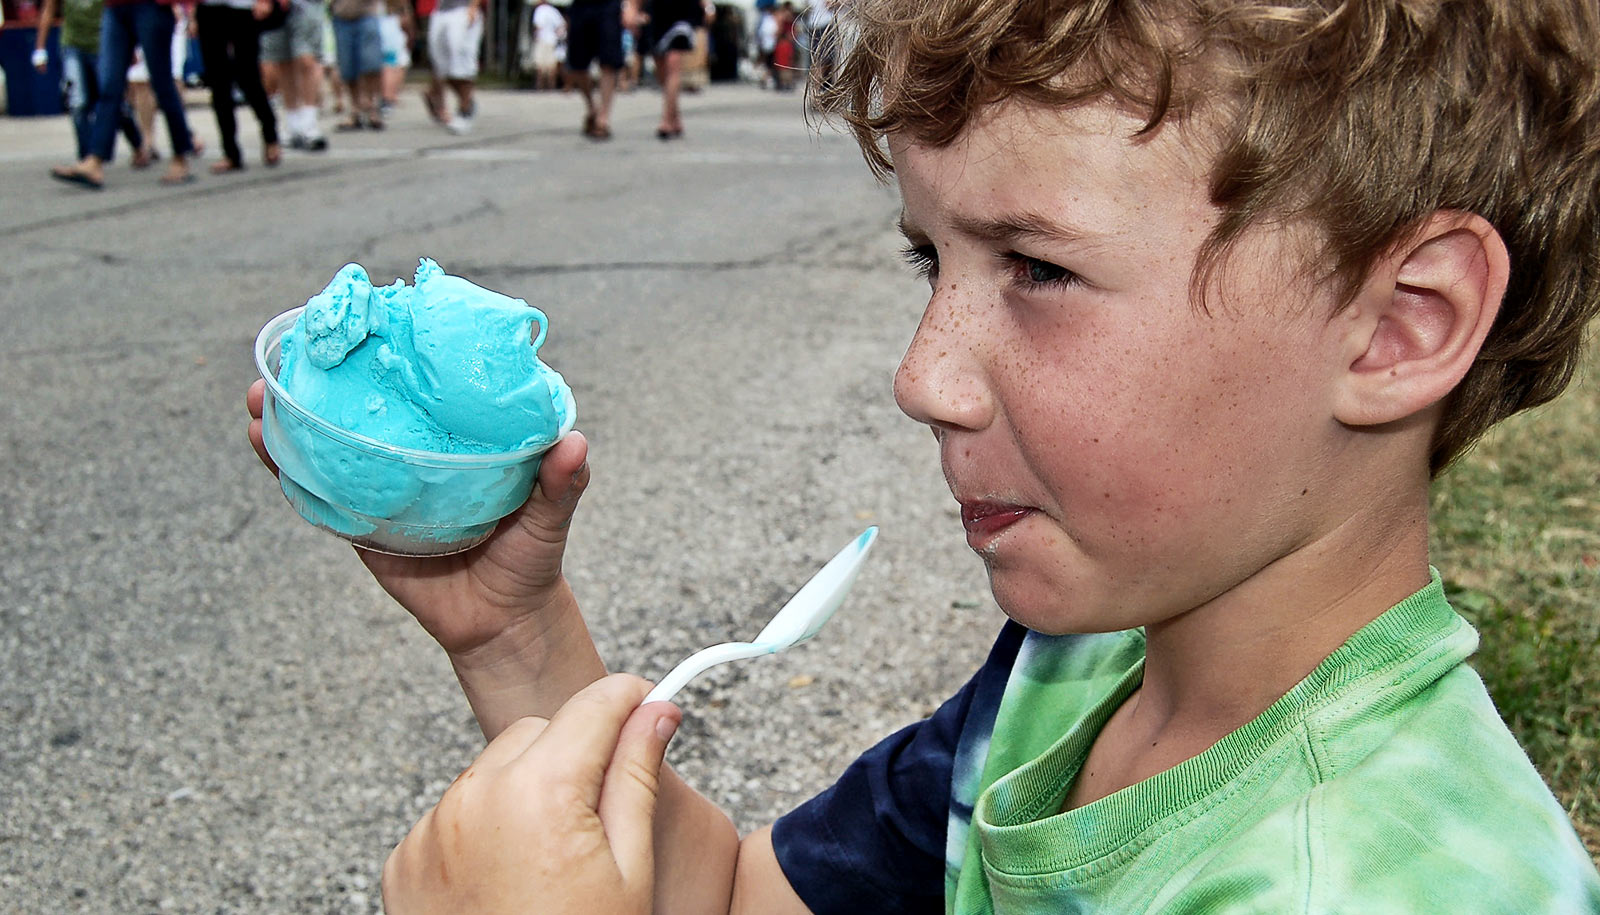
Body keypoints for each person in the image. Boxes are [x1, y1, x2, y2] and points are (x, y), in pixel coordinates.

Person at [248, 0, 1600, 910]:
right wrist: (517, 635)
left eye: (1035, 265)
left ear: (1396, 325)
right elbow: (738, 893)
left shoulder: (1404, 881)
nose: (922, 376)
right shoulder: (1083, 666)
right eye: (928, 256)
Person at [50, 0, 199, 188]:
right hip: (115, 7)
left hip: (151, 6)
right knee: (110, 86)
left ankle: (180, 156)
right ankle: (95, 161)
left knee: (162, 84)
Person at [33, 0, 144, 164]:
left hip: (103, 43)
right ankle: (87, 157)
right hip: (72, 45)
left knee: (114, 100)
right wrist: (40, 49)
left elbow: (120, 14)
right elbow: (48, 9)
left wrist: (128, 48)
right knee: (77, 102)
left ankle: (137, 145)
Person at [196, 0, 281, 171]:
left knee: (248, 78)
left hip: (243, 7)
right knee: (218, 83)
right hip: (209, 8)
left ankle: (270, 134)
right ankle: (230, 152)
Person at [562, 0, 640, 140]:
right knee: (577, 65)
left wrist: (631, 6)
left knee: (609, 62)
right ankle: (592, 108)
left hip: (609, 5)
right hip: (581, 6)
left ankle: (603, 118)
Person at [258, 0, 329, 150]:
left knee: (307, 60)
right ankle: (294, 125)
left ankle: (309, 125)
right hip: (276, 7)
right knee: (283, 63)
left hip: (305, 5)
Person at [421, 0, 482, 133]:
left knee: (461, 64)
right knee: (441, 66)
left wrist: (473, 6)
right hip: (440, 11)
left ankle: (464, 111)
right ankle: (467, 101)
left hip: (462, 10)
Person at [645, 0, 703, 139]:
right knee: (661, 67)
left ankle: (666, 120)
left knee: (673, 62)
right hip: (657, 10)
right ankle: (675, 115)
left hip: (683, 11)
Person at [330, 0, 385, 129]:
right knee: (347, 66)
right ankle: (355, 109)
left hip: (367, 14)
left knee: (371, 63)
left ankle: (372, 107)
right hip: (341, 16)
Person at [527, 0, 562, 91]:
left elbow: (538, 25)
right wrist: (558, 35)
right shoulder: (553, 10)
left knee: (540, 65)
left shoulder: (540, 10)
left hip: (542, 40)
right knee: (551, 65)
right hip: (552, 40)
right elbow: (561, 24)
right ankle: (551, 86)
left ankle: (540, 86)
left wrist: (535, 36)